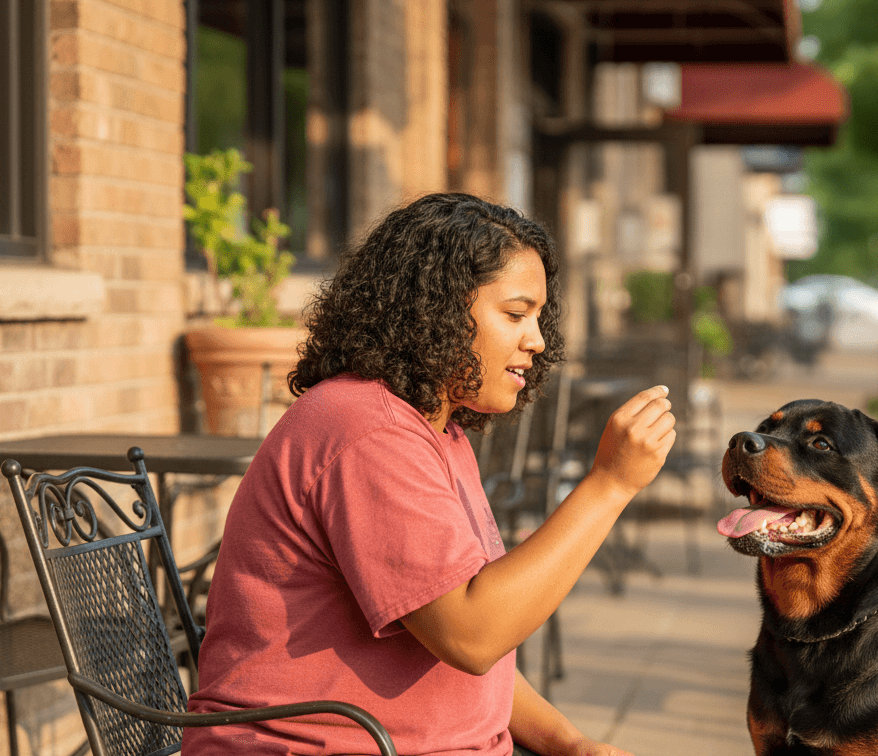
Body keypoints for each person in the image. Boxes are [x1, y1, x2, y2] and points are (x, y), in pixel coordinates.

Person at [184, 193, 674, 756]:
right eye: (516, 315)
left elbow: (463, 645)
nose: (537, 340)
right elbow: (472, 634)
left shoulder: (432, 429)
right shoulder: (367, 431)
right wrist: (609, 484)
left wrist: (568, 742)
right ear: (436, 310)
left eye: (539, 317)